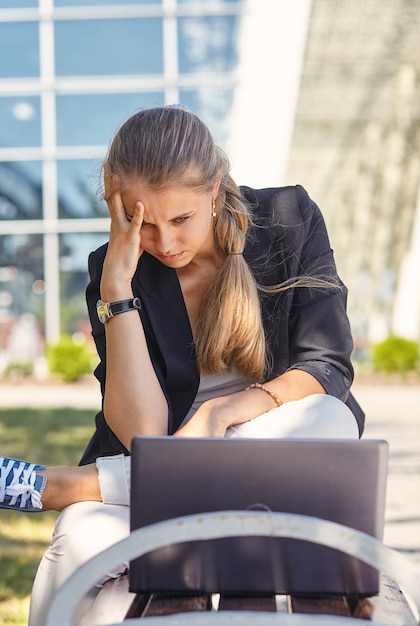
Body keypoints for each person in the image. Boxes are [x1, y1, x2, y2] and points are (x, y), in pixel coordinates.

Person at [0, 105, 364, 625]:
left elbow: (326, 367)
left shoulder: (289, 219)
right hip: (155, 477)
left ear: (214, 190)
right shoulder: (113, 269)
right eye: (143, 222)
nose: (165, 243)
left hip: (273, 480)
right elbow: (142, 431)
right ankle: (103, 493)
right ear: (114, 200)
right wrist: (117, 292)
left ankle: (73, 485)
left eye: (181, 220)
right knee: (79, 542)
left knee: (329, 420)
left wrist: (218, 417)